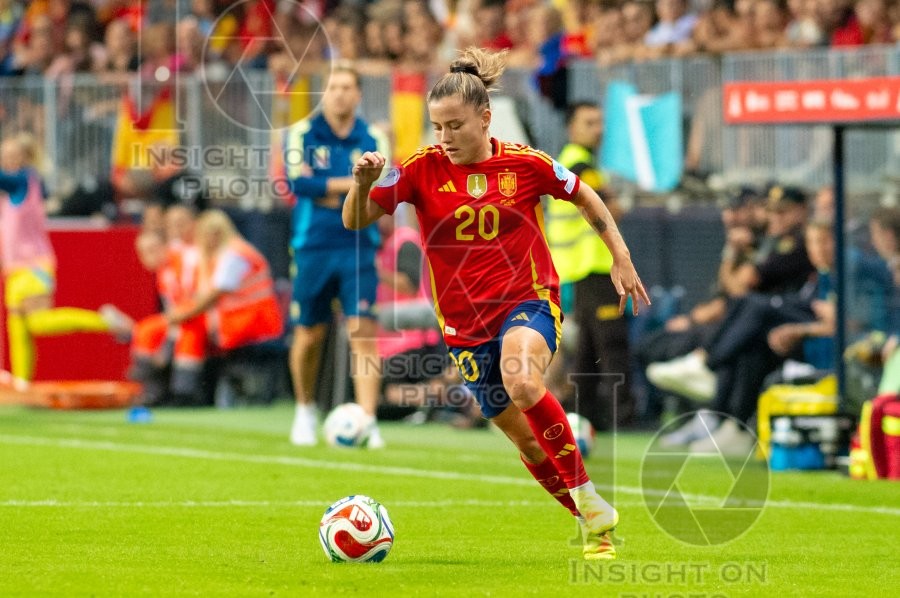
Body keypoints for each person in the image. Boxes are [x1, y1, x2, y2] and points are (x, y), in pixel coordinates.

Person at [342, 47, 650, 561]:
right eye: (437, 127)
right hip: (465, 327)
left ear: (485, 119)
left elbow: (585, 196)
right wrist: (361, 183)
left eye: (455, 126)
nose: (444, 138)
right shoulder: (419, 169)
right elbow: (354, 221)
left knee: (523, 380)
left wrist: (621, 255)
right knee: (529, 445)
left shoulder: (526, 164)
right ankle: (594, 523)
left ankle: (591, 502)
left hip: (526, 301)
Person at [283, 62, 390, 447]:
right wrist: (354, 184)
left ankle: (368, 418)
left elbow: (382, 188)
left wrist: (335, 190)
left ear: (358, 93)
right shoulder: (303, 133)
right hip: (313, 245)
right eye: (333, 87)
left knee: (362, 332)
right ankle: (305, 409)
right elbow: (300, 183)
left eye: (347, 87)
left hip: (359, 246)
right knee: (310, 334)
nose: (340, 93)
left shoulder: (374, 135)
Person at [0, 134, 132, 389]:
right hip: (15, 267)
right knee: (17, 325)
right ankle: (22, 381)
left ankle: (105, 322)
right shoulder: (14, 192)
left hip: (33, 265)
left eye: (11, 154)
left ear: (25, 157)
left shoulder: (25, 180)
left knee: (37, 322)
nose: (6, 159)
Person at [545, 102, 630, 430]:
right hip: (593, 267)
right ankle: (621, 415)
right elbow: (613, 211)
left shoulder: (567, 163)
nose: (599, 129)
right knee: (611, 343)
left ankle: (585, 413)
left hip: (573, 268)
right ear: (572, 128)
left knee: (588, 348)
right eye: (590, 122)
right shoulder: (583, 166)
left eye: (600, 122)